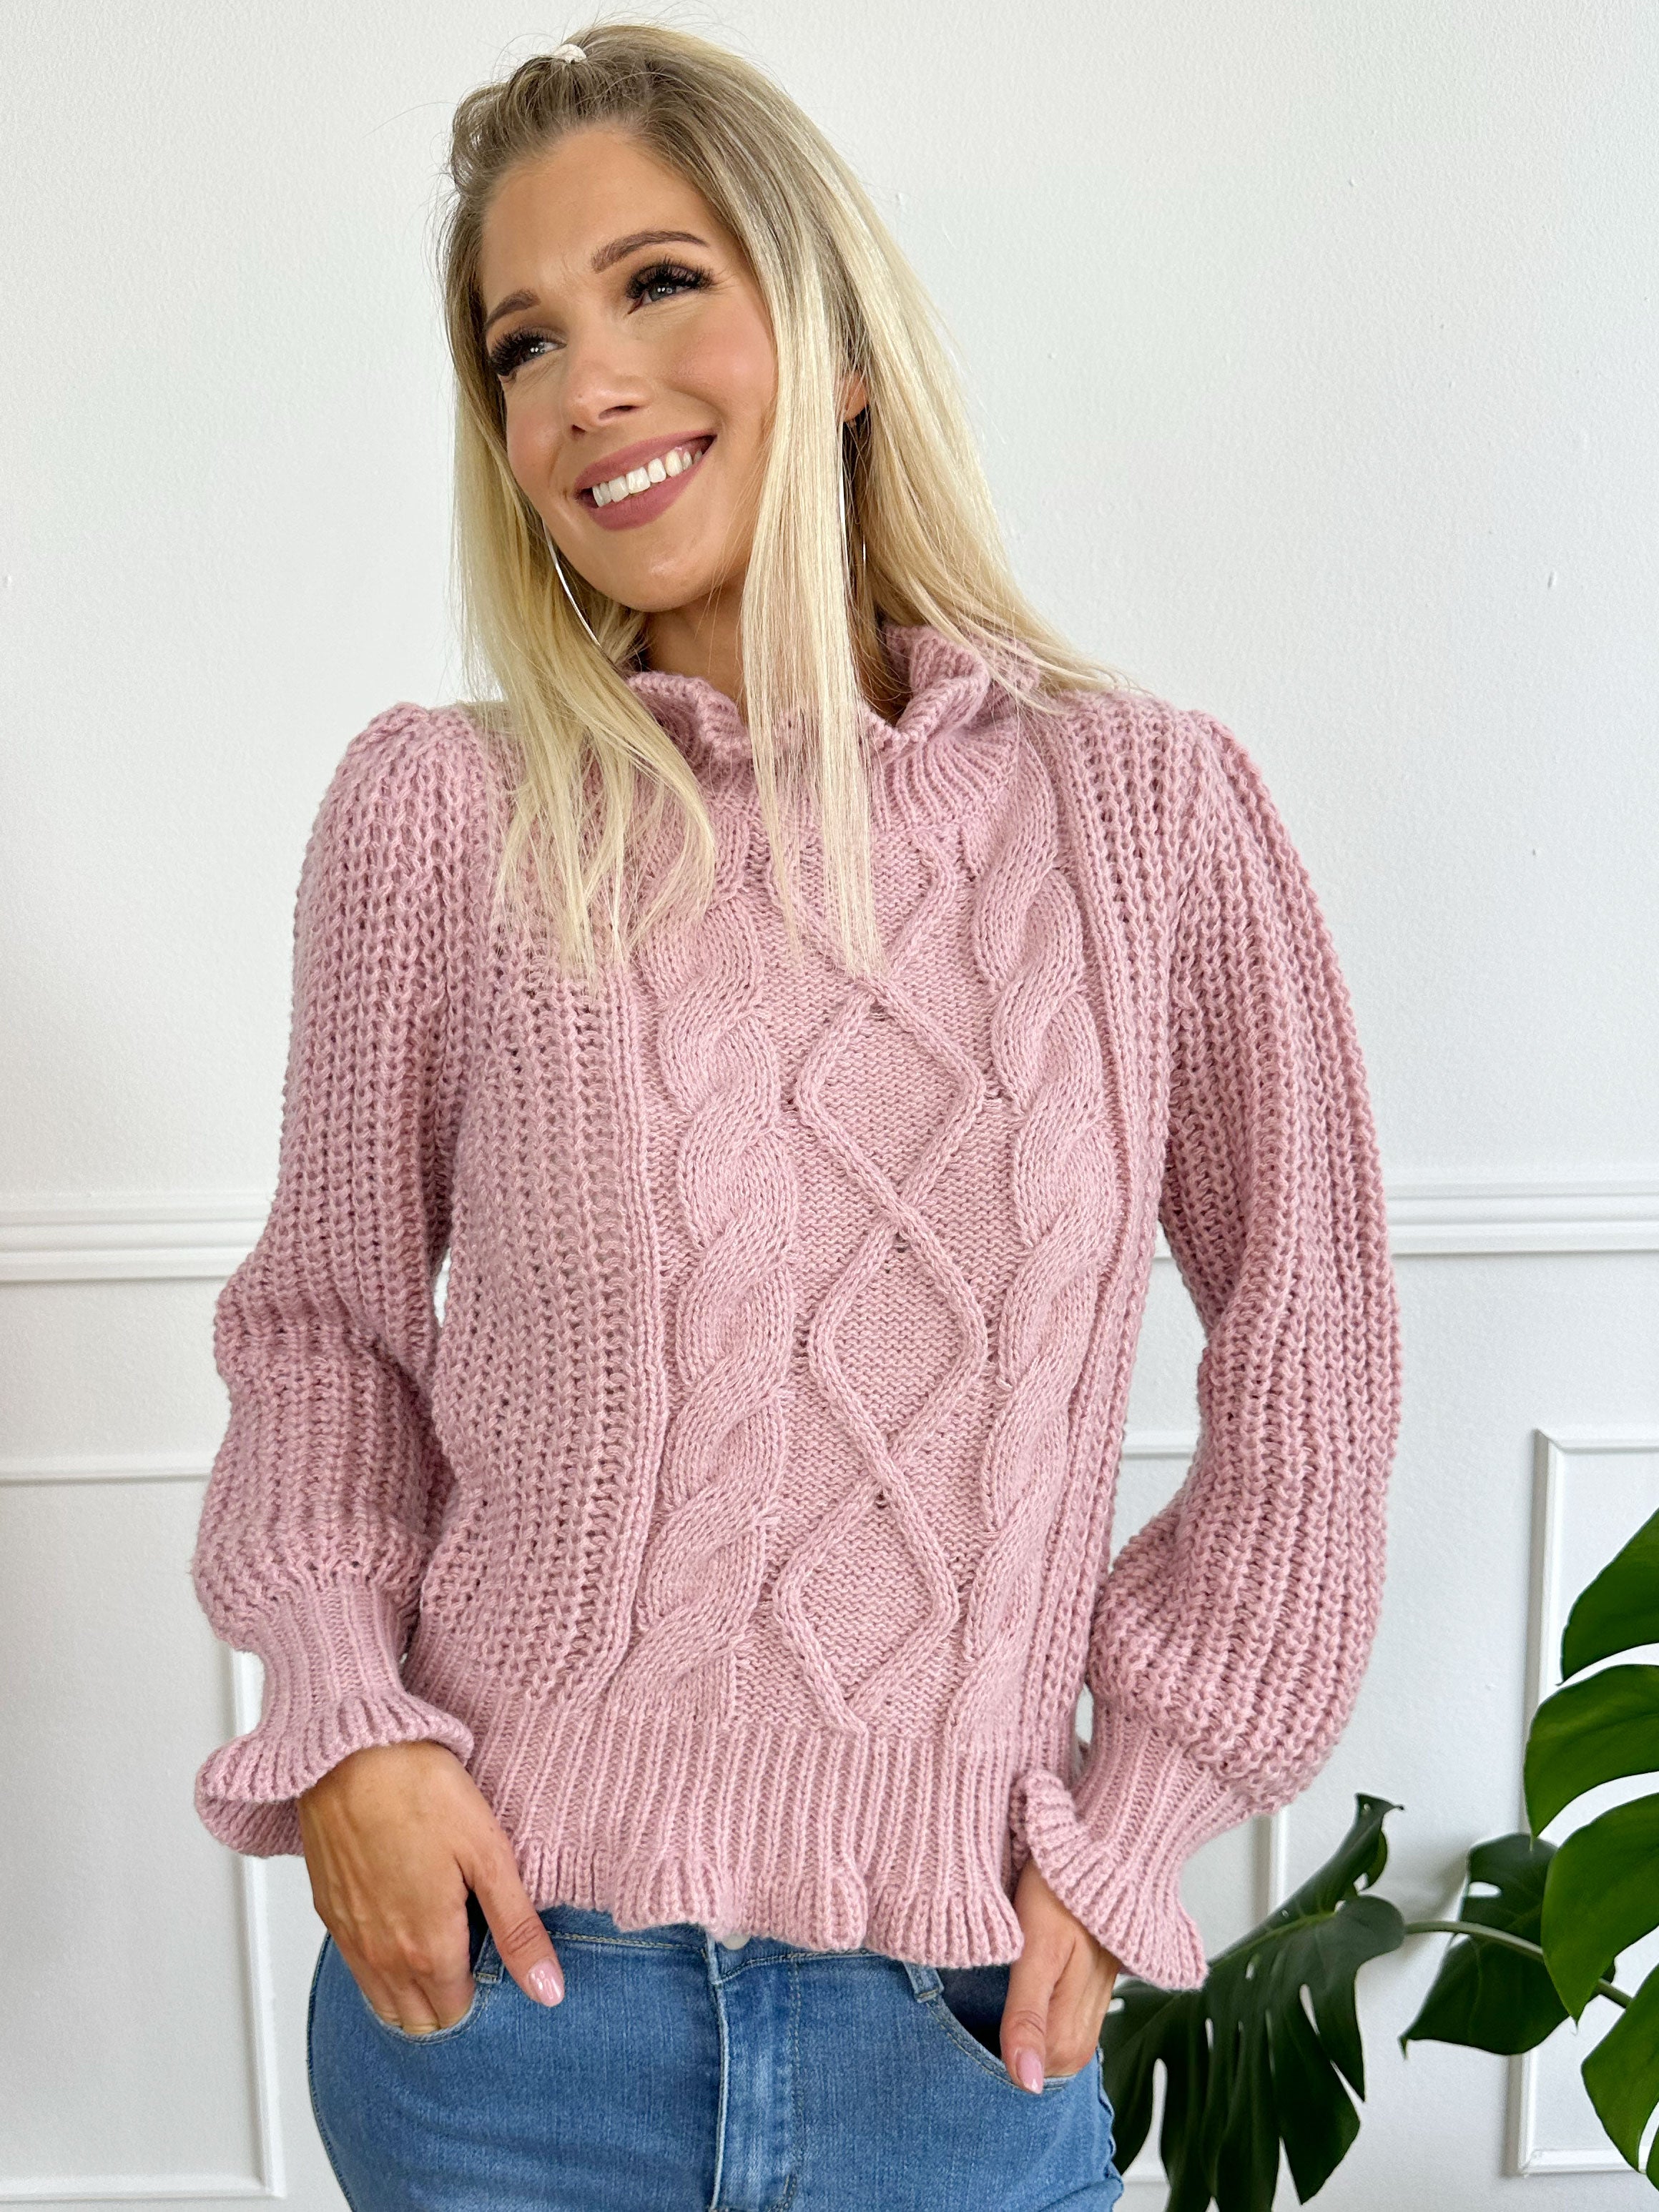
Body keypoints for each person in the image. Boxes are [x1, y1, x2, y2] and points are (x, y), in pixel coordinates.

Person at [187, 23, 1404, 2210]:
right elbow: (322, 1337)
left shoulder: (1143, 818)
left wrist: (1142, 1813)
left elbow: (1313, 1345)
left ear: (835, 343)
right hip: (504, 2010)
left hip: (961, 2026)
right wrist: (349, 1727)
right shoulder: (443, 819)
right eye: (523, 343)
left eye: (659, 283)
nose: (587, 384)